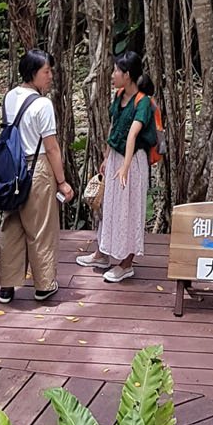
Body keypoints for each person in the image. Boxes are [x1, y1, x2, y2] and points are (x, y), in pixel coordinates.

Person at [0, 49, 74, 304]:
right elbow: (51, 147)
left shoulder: (9, 97)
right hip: (37, 168)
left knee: (13, 225)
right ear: (33, 73)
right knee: (41, 227)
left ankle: (7, 285)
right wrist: (62, 181)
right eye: (46, 71)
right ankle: (43, 284)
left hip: (12, 168)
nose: (50, 76)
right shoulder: (43, 104)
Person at [76, 50, 154, 282]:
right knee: (110, 206)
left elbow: (132, 135)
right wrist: (108, 157)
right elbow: (114, 127)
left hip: (133, 162)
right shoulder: (119, 96)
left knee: (129, 210)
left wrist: (125, 167)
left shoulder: (144, 102)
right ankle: (102, 254)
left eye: (116, 71)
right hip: (116, 159)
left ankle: (126, 263)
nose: (112, 75)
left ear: (127, 75)